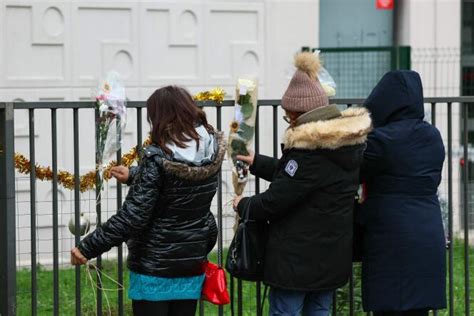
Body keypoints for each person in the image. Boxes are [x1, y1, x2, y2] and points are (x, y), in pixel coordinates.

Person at [233, 52, 372, 316]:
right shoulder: (344, 145)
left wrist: (244, 204)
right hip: (331, 256)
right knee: (319, 310)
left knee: (287, 311)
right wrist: (258, 161)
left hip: (298, 261)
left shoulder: (309, 152)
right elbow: (300, 180)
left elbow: (277, 199)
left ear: (300, 114)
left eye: (289, 117)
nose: (289, 121)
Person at [70, 85, 226, 316]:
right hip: (190, 260)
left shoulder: (158, 157)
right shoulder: (209, 150)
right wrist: (135, 175)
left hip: (155, 267)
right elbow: (179, 189)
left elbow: (133, 217)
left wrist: (87, 247)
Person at [359, 70, 447, 316]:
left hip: (392, 239)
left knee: (390, 308)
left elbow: (353, 172)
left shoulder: (382, 140)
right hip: (428, 234)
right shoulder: (433, 136)